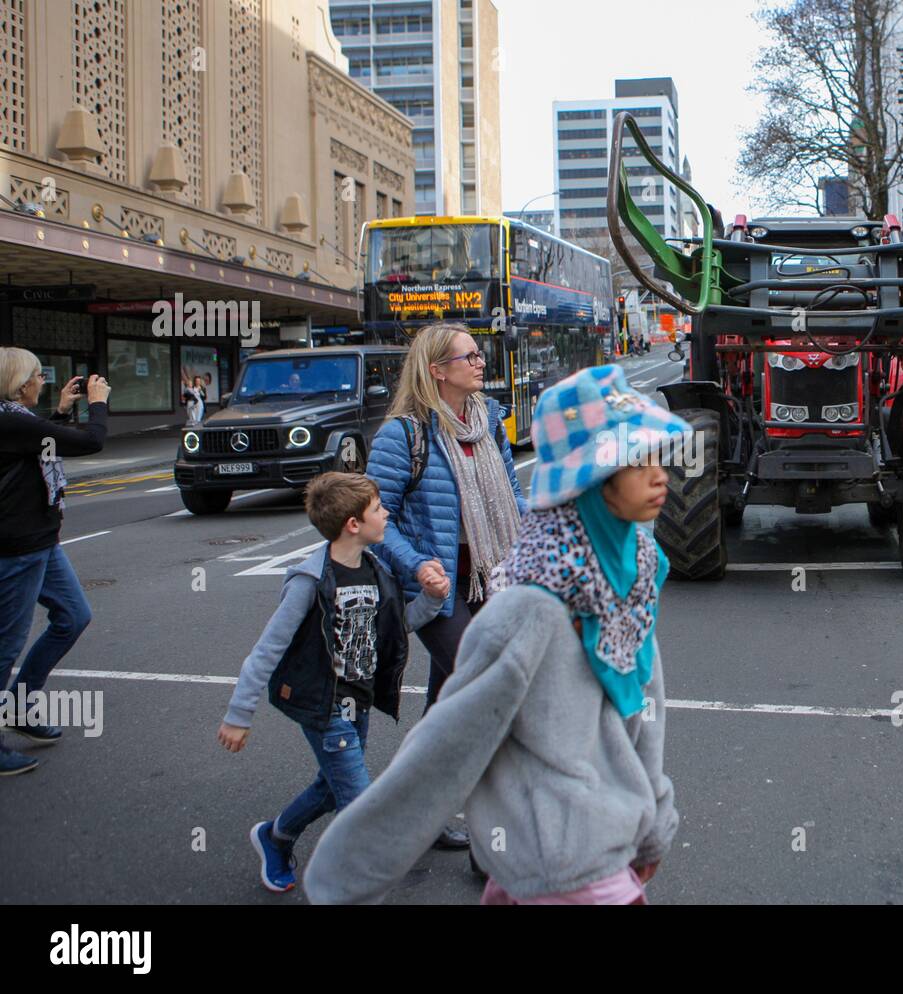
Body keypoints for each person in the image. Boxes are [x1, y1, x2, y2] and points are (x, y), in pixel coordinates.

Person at [305, 365, 684, 905]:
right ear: (591, 479)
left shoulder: (633, 572)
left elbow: (647, 713)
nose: (659, 475)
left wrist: (652, 830)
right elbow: (448, 745)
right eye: (635, 461)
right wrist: (348, 874)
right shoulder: (529, 609)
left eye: (656, 457)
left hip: (599, 853)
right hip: (560, 868)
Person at [366, 322, 526, 853]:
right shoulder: (404, 434)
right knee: (481, 686)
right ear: (437, 370)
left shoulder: (491, 421)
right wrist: (416, 566)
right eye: (469, 356)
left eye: (480, 354)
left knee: (443, 704)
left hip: (488, 573)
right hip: (437, 586)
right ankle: (490, 830)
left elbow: (513, 494)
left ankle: (415, 811)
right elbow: (374, 518)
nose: (481, 362)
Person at [217, 472, 408, 893]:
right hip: (324, 705)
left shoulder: (376, 572)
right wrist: (238, 714)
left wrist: (431, 598)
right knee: (359, 805)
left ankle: (276, 836)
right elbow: (267, 649)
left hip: (357, 701)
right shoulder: (309, 581)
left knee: (329, 786)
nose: (387, 512)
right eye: (378, 508)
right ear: (353, 525)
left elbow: (399, 628)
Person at [0, 351, 109, 776]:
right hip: (17, 545)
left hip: (42, 540)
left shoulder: (16, 419)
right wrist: (97, 403)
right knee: (7, 644)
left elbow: (37, 445)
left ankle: (20, 707)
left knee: (73, 616)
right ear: (19, 382)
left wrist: (60, 413)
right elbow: (91, 442)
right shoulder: (10, 421)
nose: (42, 381)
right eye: (37, 376)